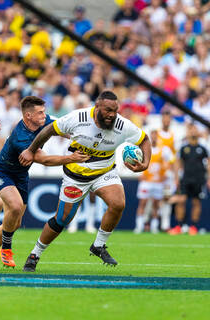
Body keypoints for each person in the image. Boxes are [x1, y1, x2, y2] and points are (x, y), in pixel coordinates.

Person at [19, 90, 151, 272]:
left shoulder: (122, 125)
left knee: (118, 203)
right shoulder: (78, 118)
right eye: (107, 110)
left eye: (115, 110)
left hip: (104, 172)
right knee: (61, 220)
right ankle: (35, 254)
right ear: (97, 107)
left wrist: (145, 164)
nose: (112, 115)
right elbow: (50, 129)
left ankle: (98, 245)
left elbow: (144, 139)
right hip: (76, 176)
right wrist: (31, 150)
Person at [0, 96, 90, 270]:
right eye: (40, 113)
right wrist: (71, 158)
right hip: (2, 170)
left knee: (14, 223)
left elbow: (60, 128)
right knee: (15, 206)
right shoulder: (21, 137)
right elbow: (44, 160)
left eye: (44, 112)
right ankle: (7, 249)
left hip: (21, 175)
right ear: (28, 116)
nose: (44, 116)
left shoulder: (43, 120)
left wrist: (78, 136)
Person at [168, 124, 210, 235]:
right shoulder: (184, 148)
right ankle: (179, 226)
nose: (193, 131)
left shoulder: (203, 148)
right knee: (181, 201)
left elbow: (208, 164)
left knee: (196, 202)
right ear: (188, 132)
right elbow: (178, 163)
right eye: (191, 129)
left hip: (199, 179)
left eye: (195, 129)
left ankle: (193, 227)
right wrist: (176, 178)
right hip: (185, 178)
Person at [134, 129, 174, 234]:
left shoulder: (164, 150)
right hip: (146, 182)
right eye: (153, 135)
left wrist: (167, 174)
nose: (154, 137)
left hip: (158, 182)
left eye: (156, 135)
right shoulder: (144, 149)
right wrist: (139, 174)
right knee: (142, 203)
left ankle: (154, 227)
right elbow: (137, 161)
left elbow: (171, 162)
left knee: (156, 205)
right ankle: (139, 227)